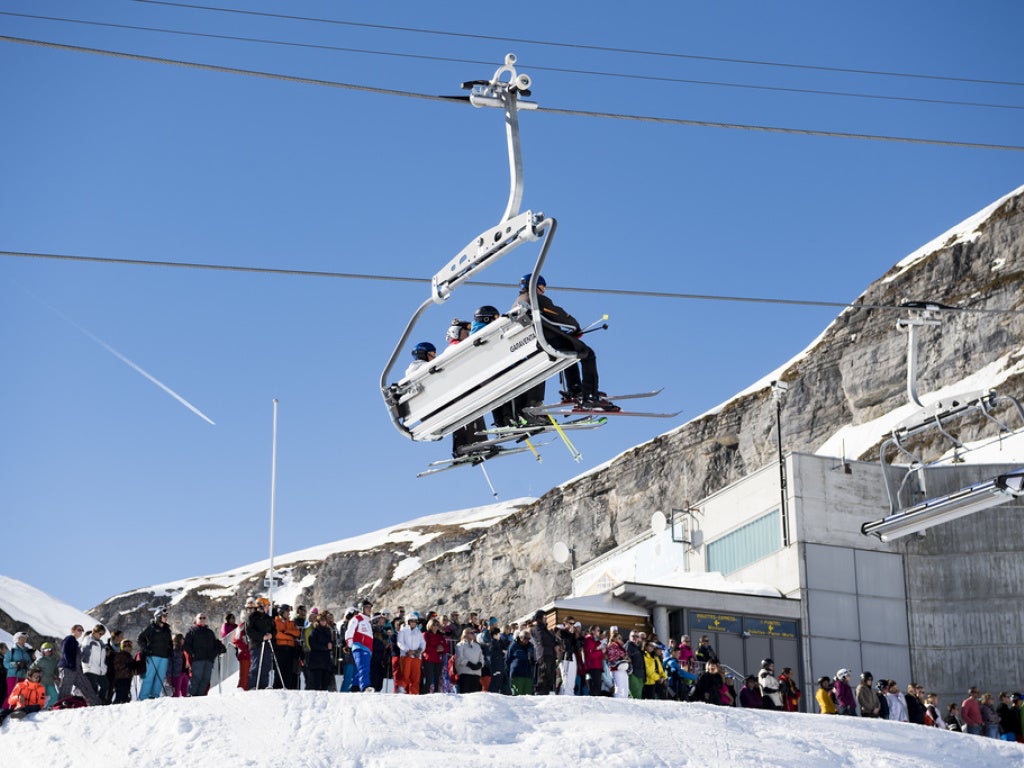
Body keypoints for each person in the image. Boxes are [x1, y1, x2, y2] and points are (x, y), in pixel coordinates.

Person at [515, 274, 618, 412]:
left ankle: (575, 389)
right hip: (548, 343)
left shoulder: (517, 303)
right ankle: (590, 395)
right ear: (534, 285)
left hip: (533, 347)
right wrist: (574, 326)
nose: (543, 290)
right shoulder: (536, 299)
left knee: (571, 350)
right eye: (542, 287)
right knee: (587, 353)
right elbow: (559, 315)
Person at [184, 612, 226, 696]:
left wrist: (220, 648)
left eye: (204, 618)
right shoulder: (192, 631)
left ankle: (200, 696)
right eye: (200, 618)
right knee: (196, 678)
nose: (202, 619)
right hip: (197, 659)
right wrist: (192, 654)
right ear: (196, 620)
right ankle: (190, 695)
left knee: (205, 679)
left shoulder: (210, 632)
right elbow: (186, 645)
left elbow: (215, 643)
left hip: (208, 660)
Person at [57, 624, 100, 705]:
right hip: (68, 668)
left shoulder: (76, 642)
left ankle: (96, 703)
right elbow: (65, 651)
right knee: (66, 688)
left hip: (76, 669)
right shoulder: (69, 639)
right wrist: (70, 665)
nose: (81, 632)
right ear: (73, 630)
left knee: (86, 686)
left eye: (82, 630)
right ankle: (60, 706)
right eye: (79, 630)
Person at [137, 608, 173, 700]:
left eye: (166, 616)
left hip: (164, 657)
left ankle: (154, 696)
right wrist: (145, 648)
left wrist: (170, 651)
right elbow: (140, 638)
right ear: (158, 617)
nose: (166, 618)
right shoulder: (151, 627)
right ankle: (143, 697)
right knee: (149, 677)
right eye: (164, 616)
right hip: (153, 656)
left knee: (160, 677)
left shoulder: (167, 629)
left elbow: (170, 642)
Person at [245, 598, 277, 690]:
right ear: (262, 605)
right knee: (256, 667)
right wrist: (261, 636)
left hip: (267, 645)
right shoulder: (252, 616)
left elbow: (274, 630)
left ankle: (263, 686)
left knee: (266, 667)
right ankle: (253, 686)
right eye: (267, 606)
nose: (268, 608)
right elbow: (249, 631)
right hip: (256, 645)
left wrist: (271, 635)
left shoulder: (268, 618)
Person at [345, 598, 375, 692]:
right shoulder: (357, 618)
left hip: (367, 648)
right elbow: (349, 631)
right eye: (366, 607)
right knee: (363, 668)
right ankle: (365, 687)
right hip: (360, 646)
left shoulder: (368, 621)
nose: (369, 609)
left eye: (370, 607)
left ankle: (355, 687)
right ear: (361, 608)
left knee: (360, 669)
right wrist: (349, 644)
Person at [396, 611, 426, 694]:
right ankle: (402, 690)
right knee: (405, 674)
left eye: (415, 621)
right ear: (407, 621)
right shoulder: (403, 631)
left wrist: (419, 650)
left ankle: (414, 693)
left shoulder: (418, 632)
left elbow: (423, 643)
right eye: (411, 621)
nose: (413, 623)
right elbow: (400, 642)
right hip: (406, 656)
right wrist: (407, 650)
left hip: (416, 657)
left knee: (416, 677)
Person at [273, 605, 301, 690]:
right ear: (282, 612)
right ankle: (277, 688)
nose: (289, 614)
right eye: (287, 612)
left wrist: (286, 632)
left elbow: (297, 633)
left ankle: (288, 688)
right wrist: (290, 636)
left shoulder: (291, 623)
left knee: (289, 671)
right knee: (279, 671)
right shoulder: (275, 622)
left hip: (290, 650)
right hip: (280, 649)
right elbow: (277, 635)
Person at [306, 612, 335, 691]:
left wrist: (331, 645)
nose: (323, 622)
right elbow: (313, 645)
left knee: (325, 684)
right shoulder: (314, 631)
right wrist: (326, 647)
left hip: (326, 661)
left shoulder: (328, 631)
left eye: (325, 620)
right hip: (316, 661)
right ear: (318, 622)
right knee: (316, 684)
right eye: (321, 620)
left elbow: (331, 643)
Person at [531, 611, 558, 695]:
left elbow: (553, 639)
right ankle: (540, 692)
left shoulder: (546, 629)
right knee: (544, 674)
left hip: (551, 654)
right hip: (543, 654)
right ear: (539, 618)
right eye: (544, 617)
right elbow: (542, 639)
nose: (546, 619)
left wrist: (557, 644)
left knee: (550, 675)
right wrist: (554, 644)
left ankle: (547, 693)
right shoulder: (536, 628)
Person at [80, 624, 109, 703]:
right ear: (94, 631)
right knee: (93, 688)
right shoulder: (88, 641)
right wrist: (85, 662)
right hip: (90, 668)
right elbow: (83, 653)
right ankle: (93, 702)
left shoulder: (100, 642)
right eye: (100, 633)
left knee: (105, 685)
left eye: (102, 634)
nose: (101, 636)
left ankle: (100, 700)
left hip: (99, 669)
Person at [4, 632, 33, 700]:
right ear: (17, 639)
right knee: (11, 693)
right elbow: (5, 663)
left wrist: (27, 664)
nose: (23, 640)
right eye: (21, 638)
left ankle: (17, 708)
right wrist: (15, 664)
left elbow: (30, 664)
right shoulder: (12, 651)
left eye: (25, 639)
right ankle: (6, 709)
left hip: (23, 676)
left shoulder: (27, 652)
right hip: (13, 676)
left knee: (21, 694)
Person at [454, 628, 484, 693]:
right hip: (465, 674)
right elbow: (459, 658)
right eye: (471, 633)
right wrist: (469, 664)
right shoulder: (460, 645)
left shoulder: (477, 646)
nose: (473, 634)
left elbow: (481, 657)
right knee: (465, 694)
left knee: (475, 695)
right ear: (465, 634)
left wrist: (480, 664)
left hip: (476, 674)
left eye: (473, 633)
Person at [505, 629, 535, 696]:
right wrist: (508, 673)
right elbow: (507, 659)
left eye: (529, 638)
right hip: (517, 674)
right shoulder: (513, 645)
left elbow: (534, 660)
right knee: (518, 696)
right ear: (520, 637)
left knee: (528, 696)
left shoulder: (531, 647)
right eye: (525, 638)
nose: (527, 640)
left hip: (528, 675)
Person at [30, 642, 59, 707]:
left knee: (55, 696)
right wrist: (38, 672)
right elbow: (31, 668)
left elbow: (56, 669)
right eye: (46, 650)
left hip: (50, 682)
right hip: (41, 682)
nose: (48, 651)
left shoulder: (53, 660)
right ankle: (36, 708)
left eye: (49, 649)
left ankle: (48, 707)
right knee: (40, 697)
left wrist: (56, 675)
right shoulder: (40, 659)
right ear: (42, 651)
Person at [605, 632, 631, 699]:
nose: (621, 640)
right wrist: (622, 657)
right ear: (614, 638)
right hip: (616, 669)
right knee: (619, 687)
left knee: (625, 687)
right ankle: (617, 702)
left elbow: (624, 655)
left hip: (623, 668)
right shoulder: (612, 645)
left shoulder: (620, 647)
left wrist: (626, 658)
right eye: (619, 638)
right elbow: (611, 657)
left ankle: (625, 701)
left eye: (621, 638)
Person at [110, 639, 137, 704]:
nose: (127, 648)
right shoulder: (120, 655)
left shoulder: (129, 656)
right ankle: (116, 705)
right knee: (120, 694)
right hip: (120, 678)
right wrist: (127, 665)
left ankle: (122, 706)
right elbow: (117, 666)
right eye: (125, 646)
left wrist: (133, 667)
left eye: (129, 646)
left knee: (125, 694)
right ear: (122, 647)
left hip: (127, 677)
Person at [168, 633, 191, 697]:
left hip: (185, 673)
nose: (183, 640)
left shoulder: (184, 649)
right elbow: (170, 663)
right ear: (179, 640)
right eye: (182, 639)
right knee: (176, 694)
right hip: (176, 674)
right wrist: (169, 675)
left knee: (185, 693)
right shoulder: (174, 650)